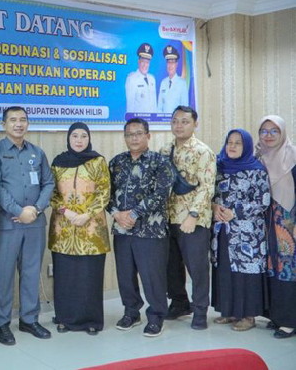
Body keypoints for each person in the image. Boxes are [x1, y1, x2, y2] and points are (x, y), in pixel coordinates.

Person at [0, 106, 55, 346]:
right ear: (3, 124)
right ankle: (1, 323)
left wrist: (35, 210)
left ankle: (29, 319)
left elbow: (49, 183)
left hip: (34, 223)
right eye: (13, 120)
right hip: (6, 223)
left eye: (23, 120)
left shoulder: (37, 152)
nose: (19, 124)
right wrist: (18, 211)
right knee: (3, 274)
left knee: (31, 271)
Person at [108, 118, 174, 337]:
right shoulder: (116, 162)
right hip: (122, 229)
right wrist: (116, 214)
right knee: (125, 275)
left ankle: (156, 317)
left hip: (151, 231)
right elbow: (106, 194)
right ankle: (131, 312)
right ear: (125, 137)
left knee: (152, 277)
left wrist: (134, 214)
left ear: (148, 135)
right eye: (129, 134)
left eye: (138, 133)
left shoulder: (160, 162)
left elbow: (161, 193)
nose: (134, 138)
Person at [49, 122, 111, 335]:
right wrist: (66, 211)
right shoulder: (58, 163)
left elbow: (104, 192)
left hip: (91, 229)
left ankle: (91, 321)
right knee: (65, 276)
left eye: (83, 136)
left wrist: (87, 214)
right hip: (63, 229)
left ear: (89, 138)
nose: (79, 140)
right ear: (68, 138)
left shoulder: (98, 161)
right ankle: (64, 319)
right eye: (74, 136)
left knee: (89, 276)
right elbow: (52, 193)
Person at [159, 106, 216, 330]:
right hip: (168, 217)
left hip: (193, 220)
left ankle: (200, 310)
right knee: (171, 266)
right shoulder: (166, 149)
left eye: (185, 121)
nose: (179, 125)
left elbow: (207, 187)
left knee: (197, 268)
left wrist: (193, 215)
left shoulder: (203, 151)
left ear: (195, 124)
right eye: (175, 121)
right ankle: (180, 303)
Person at [211, 128, 270, 332]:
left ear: (246, 146)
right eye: (230, 142)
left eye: (238, 143)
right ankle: (229, 311)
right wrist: (214, 207)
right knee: (226, 270)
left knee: (246, 273)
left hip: (248, 232)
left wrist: (235, 212)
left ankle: (248, 316)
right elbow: (211, 194)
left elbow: (263, 201)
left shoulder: (257, 170)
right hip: (223, 229)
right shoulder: (220, 166)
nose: (232, 146)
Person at [256, 115, 296, 339]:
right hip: (265, 222)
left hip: (288, 222)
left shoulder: (293, 156)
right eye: (264, 131)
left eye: (274, 131)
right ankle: (276, 315)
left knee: (288, 270)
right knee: (270, 267)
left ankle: (290, 320)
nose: (268, 136)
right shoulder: (258, 157)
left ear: (283, 133)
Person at [125, 42, 157, 114]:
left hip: (152, 120)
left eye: (147, 62)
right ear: (138, 61)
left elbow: (154, 105)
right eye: (143, 61)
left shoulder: (152, 79)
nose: (145, 65)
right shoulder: (132, 79)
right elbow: (130, 107)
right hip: (138, 120)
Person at [157, 45, 189, 114]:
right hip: (162, 120)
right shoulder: (163, 82)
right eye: (168, 62)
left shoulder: (182, 83)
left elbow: (185, 108)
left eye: (172, 62)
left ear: (176, 64)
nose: (170, 65)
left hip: (177, 120)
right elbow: (159, 107)